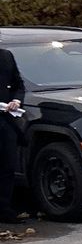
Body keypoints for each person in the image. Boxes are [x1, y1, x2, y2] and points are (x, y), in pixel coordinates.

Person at [0, 43, 27, 222]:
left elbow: (19, 84)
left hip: (6, 120)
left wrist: (17, 100)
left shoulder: (6, 56)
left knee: (7, 165)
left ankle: (4, 210)